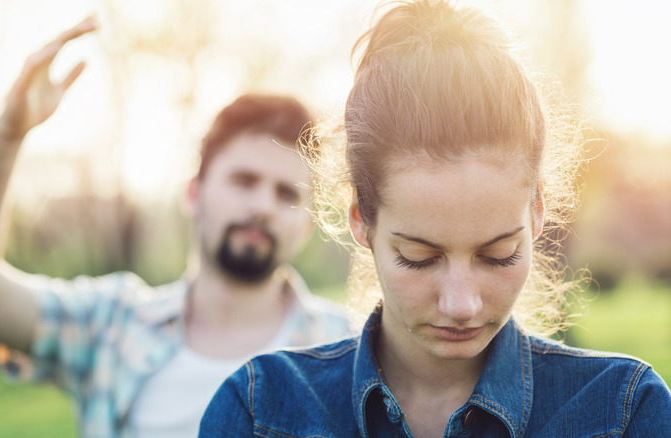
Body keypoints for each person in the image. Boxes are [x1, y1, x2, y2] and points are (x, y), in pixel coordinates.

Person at [200, 1, 671, 436]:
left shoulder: (625, 411)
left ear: (538, 211)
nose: (461, 304)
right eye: (418, 257)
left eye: (498, 255)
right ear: (361, 219)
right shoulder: (260, 411)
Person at [0, 17, 352, 438]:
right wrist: (8, 133)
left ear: (305, 224)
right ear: (193, 193)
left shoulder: (351, 352)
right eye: (243, 181)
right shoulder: (110, 327)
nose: (263, 206)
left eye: (287, 194)